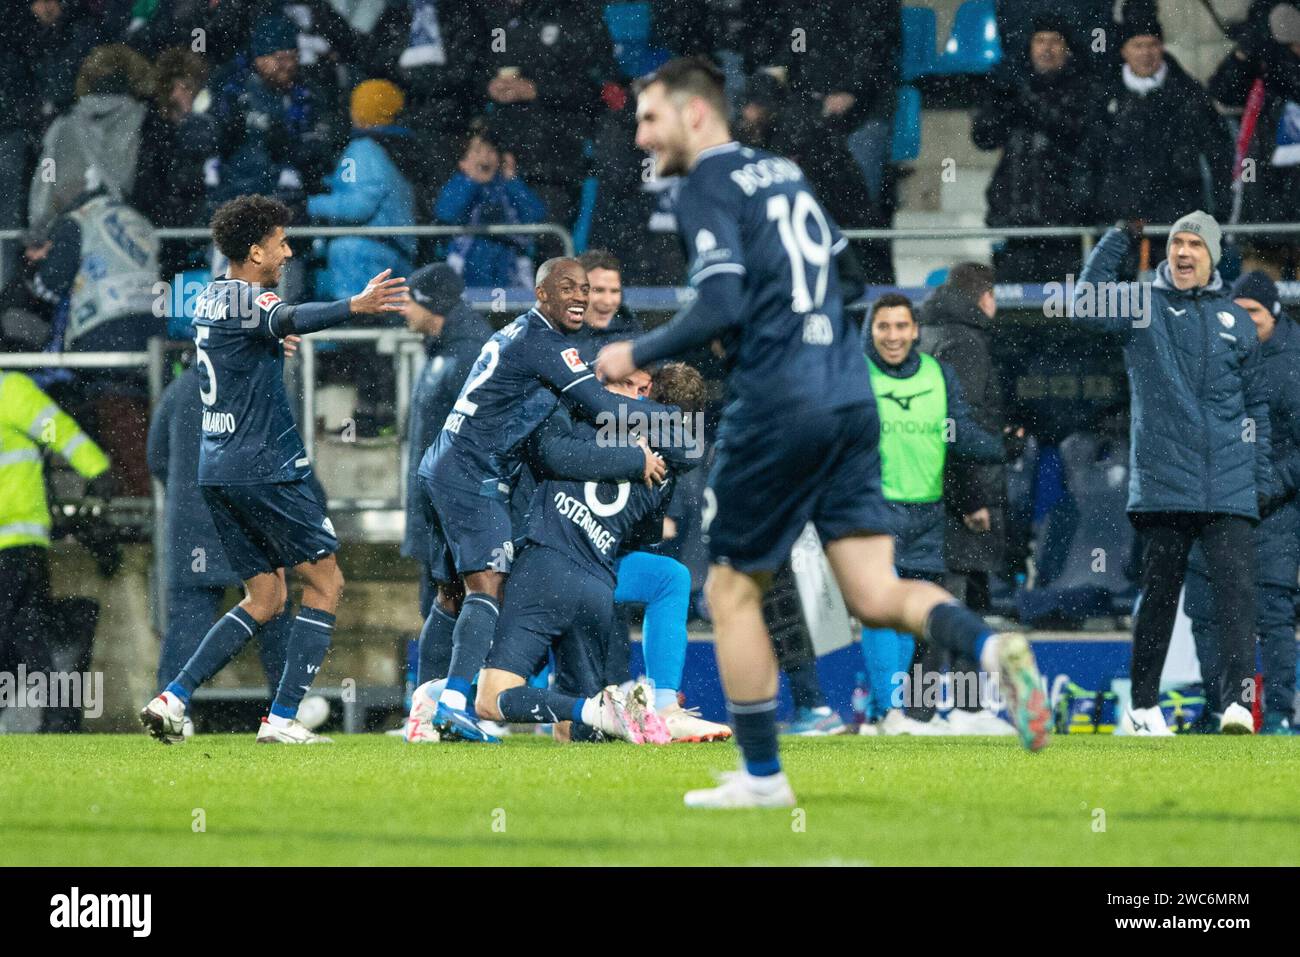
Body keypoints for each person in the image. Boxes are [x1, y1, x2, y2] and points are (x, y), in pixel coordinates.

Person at [596, 57, 1049, 809]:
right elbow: (845, 281)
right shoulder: (783, 174)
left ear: (697, 115)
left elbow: (718, 301)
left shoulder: (703, 184)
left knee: (731, 586)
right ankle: (993, 648)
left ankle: (765, 777)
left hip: (776, 401)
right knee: (875, 590)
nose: (640, 134)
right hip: (845, 393)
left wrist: (635, 350)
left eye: (650, 117)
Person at [139, 194, 409, 745]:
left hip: (215, 468)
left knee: (265, 598)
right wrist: (353, 307)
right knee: (328, 582)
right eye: (281, 243)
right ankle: (283, 718)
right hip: (262, 465)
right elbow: (288, 316)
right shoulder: (250, 298)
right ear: (256, 250)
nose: (289, 252)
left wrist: (267, 347)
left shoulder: (211, 300)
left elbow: (250, 342)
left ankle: (174, 697)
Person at [413, 256, 673, 743]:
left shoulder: (517, 334)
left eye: (584, 290)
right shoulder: (546, 343)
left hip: (444, 465)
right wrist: (674, 426)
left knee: (451, 595)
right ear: (541, 295)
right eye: (568, 289)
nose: (579, 297)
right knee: (488, 586)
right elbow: (603, 406)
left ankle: (424, 713)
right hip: (473, 474)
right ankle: (452, 703)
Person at [1071, 212, 1278, 736]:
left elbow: (1257, 407)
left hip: (1229, 484)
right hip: (1165, 483)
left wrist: (1257, 478)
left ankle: (1235, 706)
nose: (1183, 253)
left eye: (1194, 246)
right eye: (1176, 243)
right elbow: (1087, 302)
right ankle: (1143, 708)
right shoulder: (1141, 306)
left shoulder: (1236, 321)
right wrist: (1118, 239)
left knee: (1237, 597)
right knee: (1159, 599)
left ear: (1212, 257)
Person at [473, 363, 709, 742]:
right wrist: (638, 459)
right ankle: (655, 705)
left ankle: (443, 695)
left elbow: (549, 454)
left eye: (638, 387)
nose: (629, 394)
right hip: (586, 577)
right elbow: (647, 529)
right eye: (625, 384)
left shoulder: (577, 418)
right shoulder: (661, 460)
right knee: (574, 723)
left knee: (496, 697)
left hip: (549, 564)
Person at [863, 293, 1018, 737]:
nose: (892, 336)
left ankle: (907, 715)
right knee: (882, 611)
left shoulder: (938, 374)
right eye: (883, 327)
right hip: (876, 508)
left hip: (928, 512)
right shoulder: (859, 376)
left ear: (915, 331)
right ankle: (888, 711)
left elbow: (960, 431)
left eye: (900, 327)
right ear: (872, 332)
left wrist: (1000, 447)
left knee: (920, 619)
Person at [1184, 271, 1300, 735]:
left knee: (1272, 615)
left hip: (1274, 512)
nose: (1244, 320)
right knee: (1206, 612)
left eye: (1254, 311)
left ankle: (1277, 714)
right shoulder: (1215, 353)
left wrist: (1267, 488)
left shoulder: (1293, 365)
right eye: (1239, 310)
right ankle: (1221, 709)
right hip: (1214, 505)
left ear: (1273, 313)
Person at [147, 359, 293, 704]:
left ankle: (171, 705)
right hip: (249, 519)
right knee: (273, 610)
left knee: (188, 619)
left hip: (190, 525)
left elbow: (156, 456)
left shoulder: (179, 390)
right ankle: (286, 708)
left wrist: (186, 493)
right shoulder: (261, 390)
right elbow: (283, 457)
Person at [0, 369, 111, 732]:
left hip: (14, 542)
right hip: (17, 538)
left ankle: (60, 713)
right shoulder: (10, 391)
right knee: (19, 631)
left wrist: (96, 469)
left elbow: (56, 430)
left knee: (21, 630)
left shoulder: (9, 391)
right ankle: (60, 713)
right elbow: (55, 430)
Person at [399, 262, 493, 688]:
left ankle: (461, 702)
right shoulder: (441, 351)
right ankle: (434, 703)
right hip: (433, 509)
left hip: (457, 508)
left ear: (429, 304)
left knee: (457, 605)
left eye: (407, 300)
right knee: (437, 604)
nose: (401, 309)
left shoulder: (471, 353)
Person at [1087, 6, 1233, 239]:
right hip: (1118, 221)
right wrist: (1095, 205)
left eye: (1152, 45)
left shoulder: (1188, 94)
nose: (1146, 53)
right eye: (1138, 46)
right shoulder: (1105, 97)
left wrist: (1219, 210)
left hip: (1178, 218)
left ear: (1162, 47)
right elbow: (1090, 156)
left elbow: (1219, 155)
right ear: (1124, 50)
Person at [972, 17, 1098, 283]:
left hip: (1064, 224)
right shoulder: (1012, 89)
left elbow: (1073, 130)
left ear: (1067, 49)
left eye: (1055, 41)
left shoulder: (1083, 88)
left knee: (1063, 311)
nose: (1047, 48)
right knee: (1014, 310)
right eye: (1040, 41)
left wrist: (1026, 99)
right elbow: (983, 137)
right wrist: (997, 100)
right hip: (1014, 221)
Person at [918, 264, 1011, 614]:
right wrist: (971, 499)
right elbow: (958, 427)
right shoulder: (965, 342)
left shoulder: (927, 332)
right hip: (959, 508)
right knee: (956, 618)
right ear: (986, 297)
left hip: (933, 491)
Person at [1208, 2, 1300, 278]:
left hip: (1276, 189)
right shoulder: (1264, 65)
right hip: (1264, 192)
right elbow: (1222, 93)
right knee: (1257, 291)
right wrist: (1245, 51)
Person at [308, 79, 421, 301]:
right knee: (387, 327)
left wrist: (310, 204)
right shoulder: (400, 146)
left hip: (361, 253)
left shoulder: (363, 148)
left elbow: (358, 206)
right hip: (398, 249)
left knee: (356, 327)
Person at [433, 127, 547, 288]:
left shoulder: (508, 186)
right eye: (477, 150)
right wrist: (471, 183)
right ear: (462, 162)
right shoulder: (458, 184)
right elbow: (446, 213)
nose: (485, 156)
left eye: (491, 151)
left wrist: (512, 180)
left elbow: (536, 215)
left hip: (508, 267)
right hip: (467, 269)